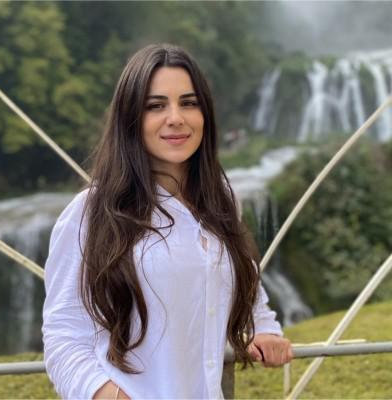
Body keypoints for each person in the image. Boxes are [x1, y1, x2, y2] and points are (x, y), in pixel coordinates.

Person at [42, 43, 293, 400]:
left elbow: (239, 270)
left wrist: (263, 325)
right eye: (155, 106)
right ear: (130, 118)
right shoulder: (91, 213)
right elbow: (63, 335)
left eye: (189, 103)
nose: (176, 117)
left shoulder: (221, 197)